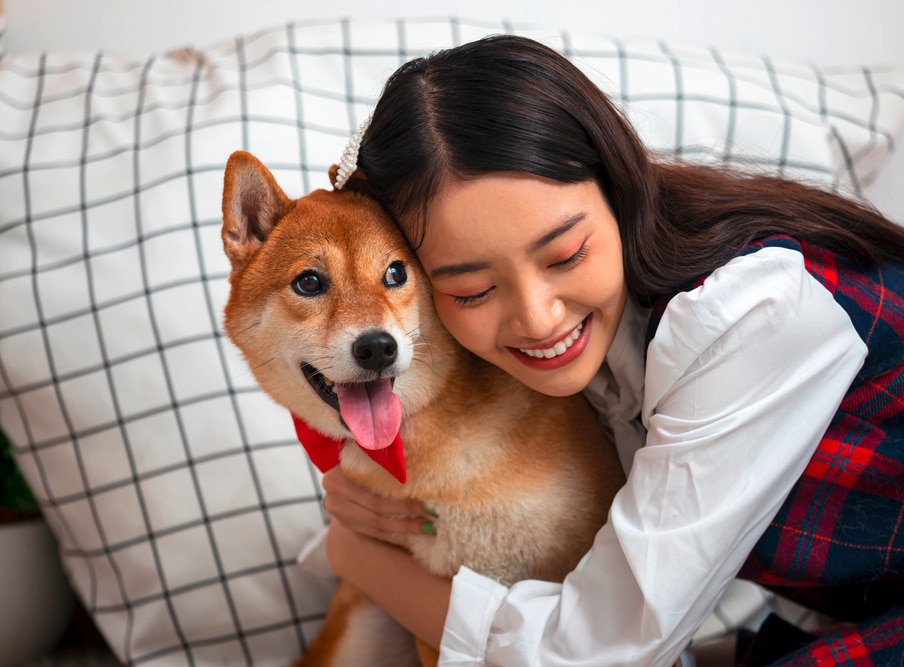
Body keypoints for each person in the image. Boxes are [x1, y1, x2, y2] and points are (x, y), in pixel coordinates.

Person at [317, 34, 904, 666]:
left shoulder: (749, 314)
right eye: (473, 290)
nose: (538, 319)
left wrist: (352, 556)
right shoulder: (559, 364)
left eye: (566, 255)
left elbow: (604, 651)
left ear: (617, 189)